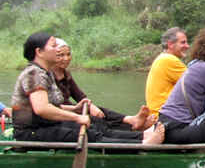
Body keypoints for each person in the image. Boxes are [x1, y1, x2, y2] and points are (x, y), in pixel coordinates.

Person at [11, 31, 164, 144]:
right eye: (53, 46)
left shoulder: (45, 72)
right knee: (85, 134)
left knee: (96, 124)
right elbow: (42, 109)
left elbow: (53, 106)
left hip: (46, 125)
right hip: (31, 132)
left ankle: (142, 136)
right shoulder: (34, 74)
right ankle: (141, 143)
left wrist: (75, 109)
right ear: (39, 52)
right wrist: (77, 117)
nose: (57, 49)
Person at [53, 38, 155, 131]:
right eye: (61, 55)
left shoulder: (65, 74)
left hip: (73, 109)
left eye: (68, 54)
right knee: (96, 120)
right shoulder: (48, 76)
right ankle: (133, 128)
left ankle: (131, 120)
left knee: (101, 111)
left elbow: (79, 95)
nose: (66, 58)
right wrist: (78, 109)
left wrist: (91, 106)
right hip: (61, 113)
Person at [145, 27, 189, 116]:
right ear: (170, 44)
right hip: (165, 116)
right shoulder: (169, 60)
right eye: (183, 42)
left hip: (160, 113)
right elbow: (198, 83)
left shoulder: (162, 58)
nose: (187, 46)